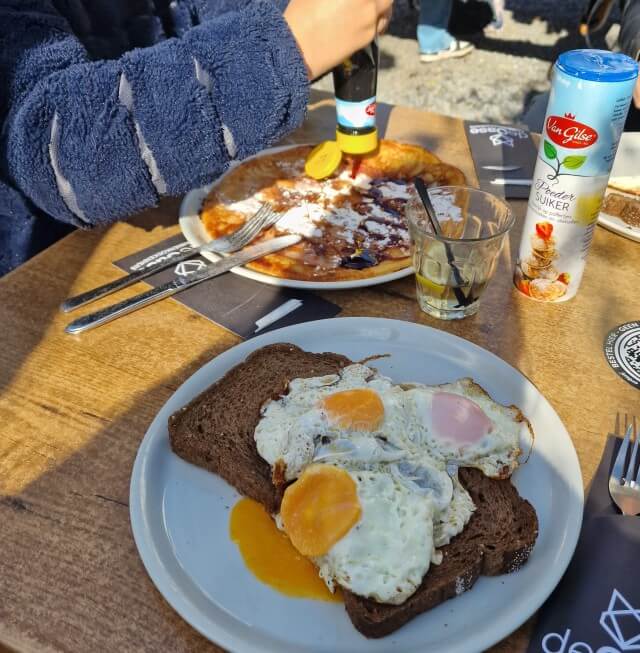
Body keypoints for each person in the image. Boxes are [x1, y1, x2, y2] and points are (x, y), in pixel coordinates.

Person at [0, 0, 393, 276]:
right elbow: (63, 156)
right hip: (45, 285)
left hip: (177, 214)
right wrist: (288, 47)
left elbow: (197, 18)